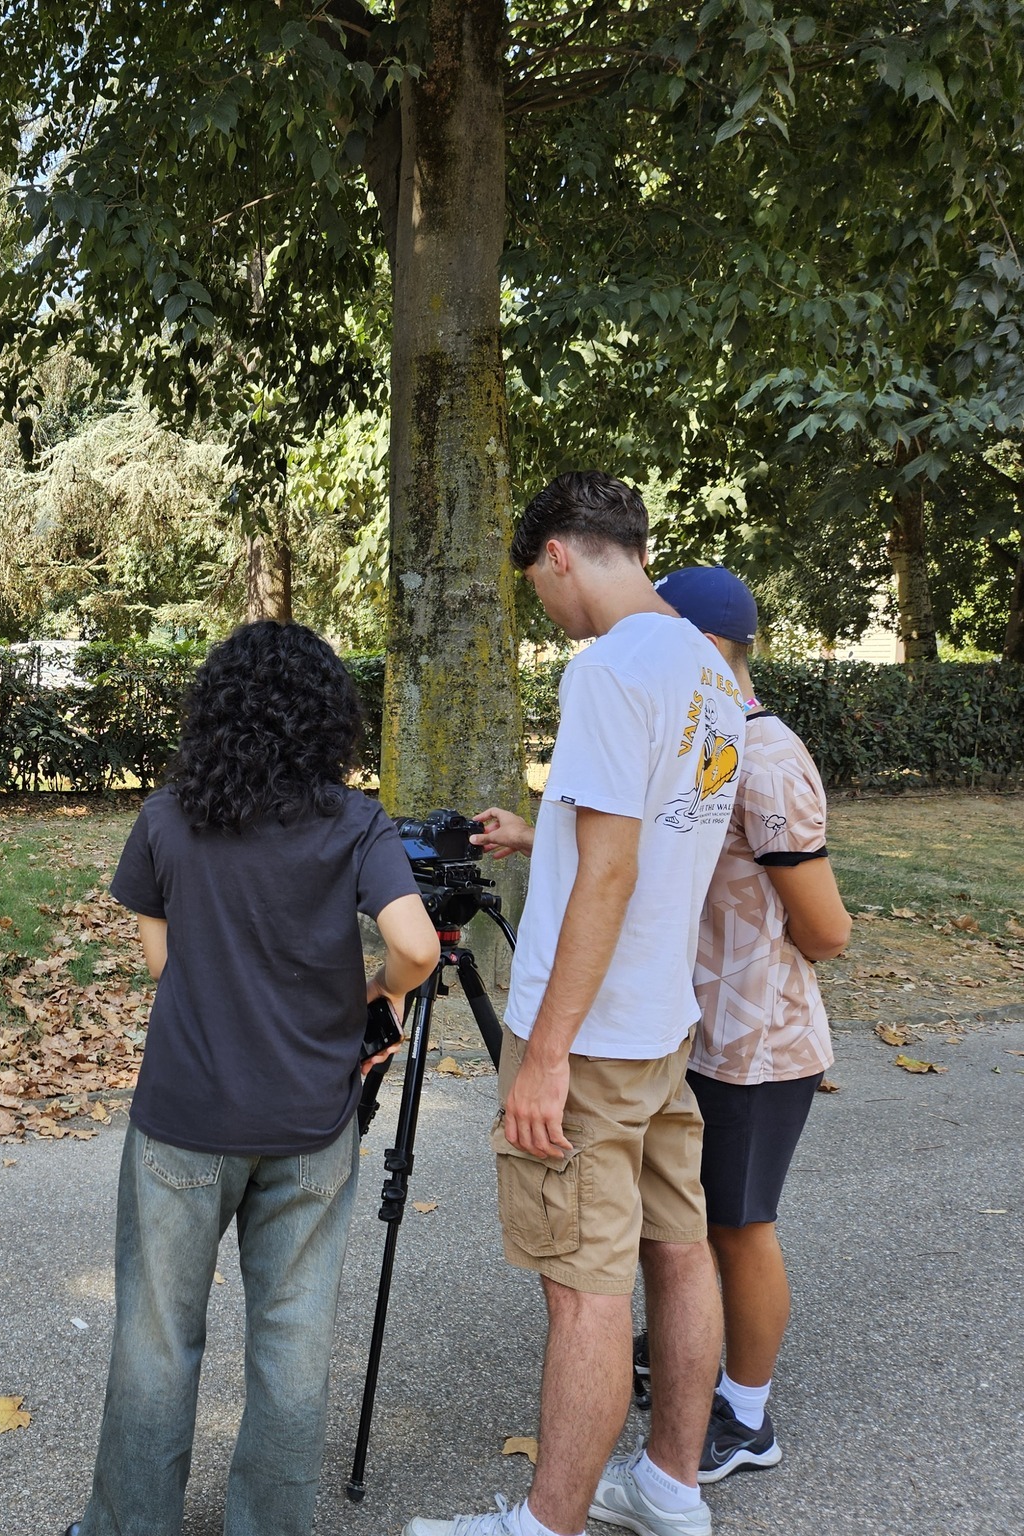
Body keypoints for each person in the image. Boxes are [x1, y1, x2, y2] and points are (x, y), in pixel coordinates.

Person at [406, 473, 746, 1536]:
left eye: (536, 587)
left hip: (588, 1035)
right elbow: (648, 827)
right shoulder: (706, 667)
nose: (544, 614)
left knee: (580, 1285)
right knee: (676, 1250)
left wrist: (544, 1052)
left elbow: (607, 875)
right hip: (658, 1021)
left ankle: (541, 1526)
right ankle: (670, 1487)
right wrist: (539, 829)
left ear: (557, 553)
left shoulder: (605, 670)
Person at [63, 620, 440, 1536]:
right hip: (312, 1119)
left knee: (157, 1339)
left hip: (186, 1114)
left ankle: (128, 1527)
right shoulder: (355, 822)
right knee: (293, 1341)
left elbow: (163, 963)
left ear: (216, 709)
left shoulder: (165, 817)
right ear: (325, 718)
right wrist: (372, 995)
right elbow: (418, 947)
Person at [641, 564, 850, 1483]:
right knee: (695, 1216)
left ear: (700, 648)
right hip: (703, 1030)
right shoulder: (710, 741)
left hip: (760, 1042)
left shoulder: (766, 757)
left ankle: (748, 1417)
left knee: (739, 1225)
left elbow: (829, 929)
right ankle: (695, 1352)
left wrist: (752, 966)